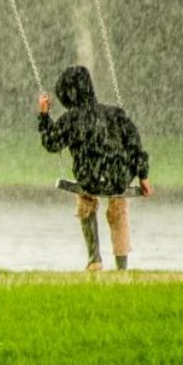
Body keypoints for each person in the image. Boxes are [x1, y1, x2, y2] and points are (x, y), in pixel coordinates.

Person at [37, 65, 152, 271]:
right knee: (119, 207)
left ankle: (94, 259)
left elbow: (51, 143)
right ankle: (122, 265)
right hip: (118, 179)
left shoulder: (71, 119)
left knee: (86, 200)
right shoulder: (115, 114)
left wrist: (44, 115)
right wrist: (143, 176)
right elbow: (135, 144)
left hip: (89, 177)